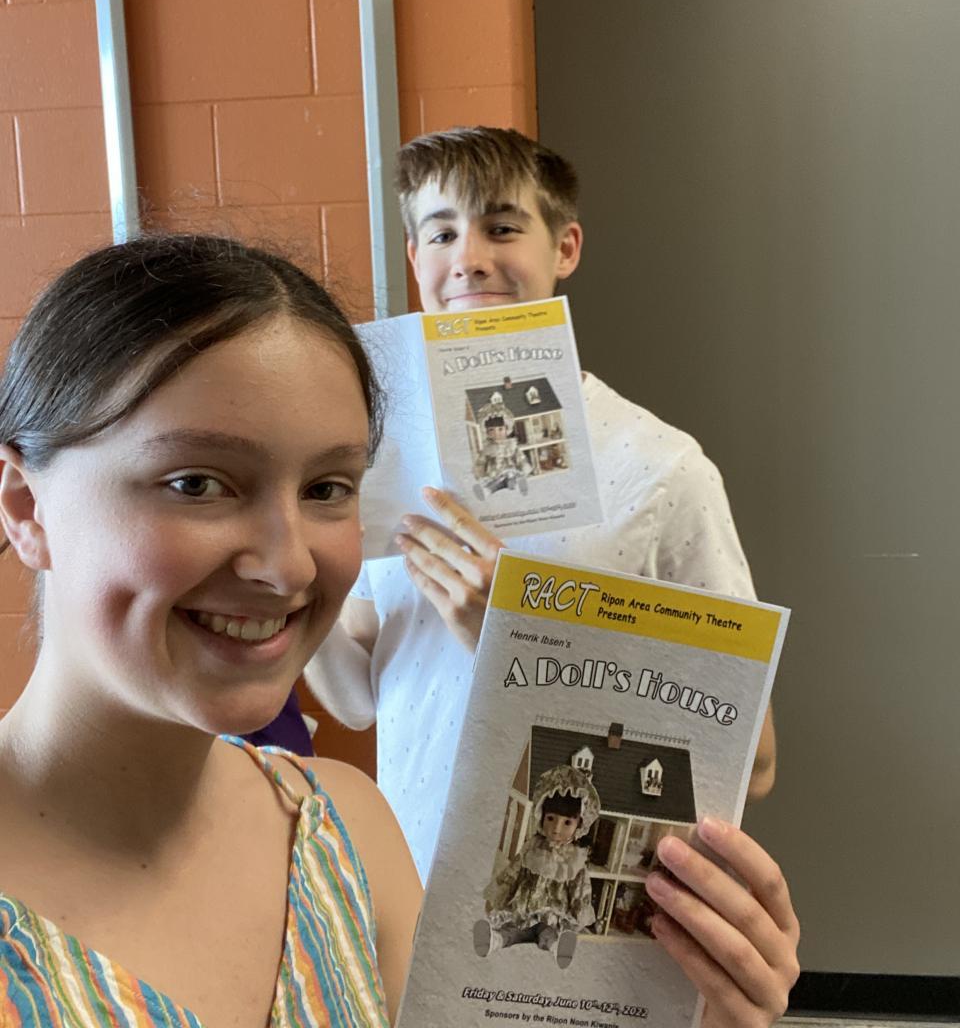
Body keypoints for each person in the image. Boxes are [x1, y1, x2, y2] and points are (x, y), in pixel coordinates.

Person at [306, 127, 798, 1026]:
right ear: (414, 257)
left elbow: (752, 759)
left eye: (502, 227)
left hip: (571, 941)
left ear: (564, 247)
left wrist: (522, 629)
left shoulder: (660, 467)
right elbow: (356, 698)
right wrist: (302, 563)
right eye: (441, 232)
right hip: (402, 902)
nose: (468, 257)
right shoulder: (384, 465)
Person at [0, 234, 421, 1027]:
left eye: (327, 488)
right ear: (27, 508)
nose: (288, 566)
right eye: (197, 483)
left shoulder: (349, 836)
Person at [475, 764, 599, 968]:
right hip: (523, 909)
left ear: (580, 824)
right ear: (541, 814)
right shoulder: (532, 847)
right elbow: (513, 873)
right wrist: (497, 897)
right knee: (513, 929)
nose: (556, 828)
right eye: (551, 818)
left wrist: (578, 918)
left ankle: (558, 949)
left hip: (552, 915)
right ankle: (493, 941)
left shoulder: (575, 859)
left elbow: (580, 891)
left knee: (547, 934)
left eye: (567, 823)